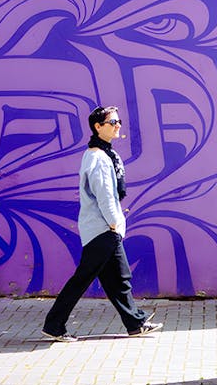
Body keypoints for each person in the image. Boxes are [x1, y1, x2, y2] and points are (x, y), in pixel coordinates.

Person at [42, 105, 162, 341]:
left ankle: (135, 322)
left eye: (118, 121)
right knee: (84, 279)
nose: (118, 125)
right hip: (103, 228)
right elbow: (105, 193)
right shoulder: (98, 157)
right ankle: (54, 324)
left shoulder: (104, 154)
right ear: (98, 127)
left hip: (104, 228)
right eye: (112, 122)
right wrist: (114, 223)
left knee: (119, 278)